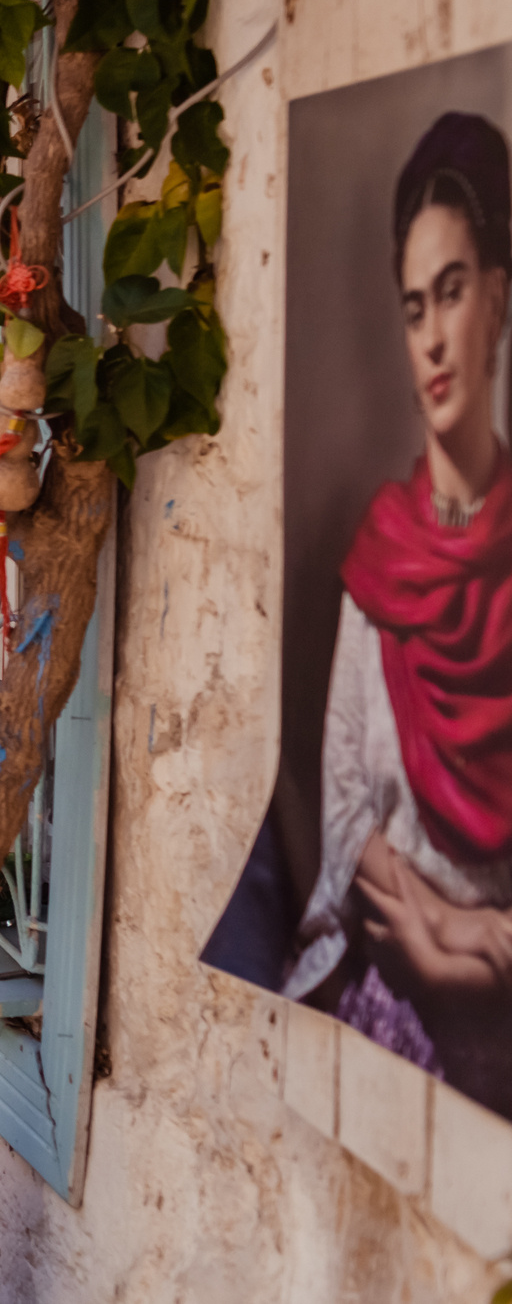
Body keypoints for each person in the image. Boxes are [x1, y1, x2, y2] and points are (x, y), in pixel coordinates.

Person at [289, 111, 512, 1114]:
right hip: (376, 1044)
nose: (428, 333)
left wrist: (472, 963)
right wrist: (445, 931)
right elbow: (340, 811)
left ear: (499, 298)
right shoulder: (382, 555)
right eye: (411, 302)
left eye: (452, 291)